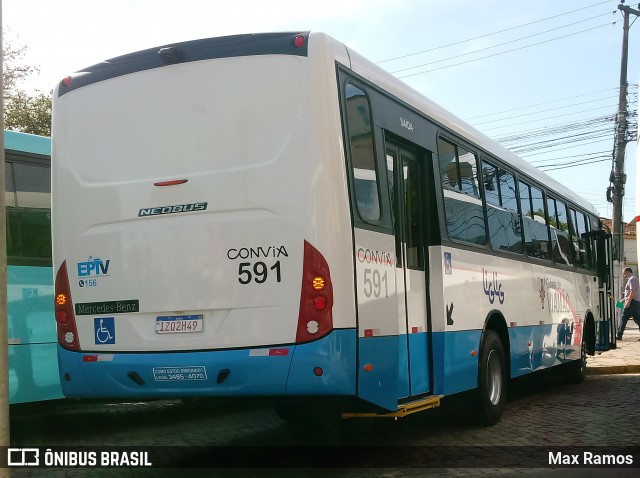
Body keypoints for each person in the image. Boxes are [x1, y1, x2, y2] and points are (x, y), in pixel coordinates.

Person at [616, 267, 640, 340]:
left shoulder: (632, 279)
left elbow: (632, 291)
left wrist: (628, 302)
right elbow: (630, 292)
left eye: (624, 272)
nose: (623, 274)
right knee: (637, 319)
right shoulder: (634, 278)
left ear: (627, 271)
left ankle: (619, 335)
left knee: (624, 318)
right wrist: (623, 300)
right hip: (635, 302)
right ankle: (619, 334)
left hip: (631, 302)